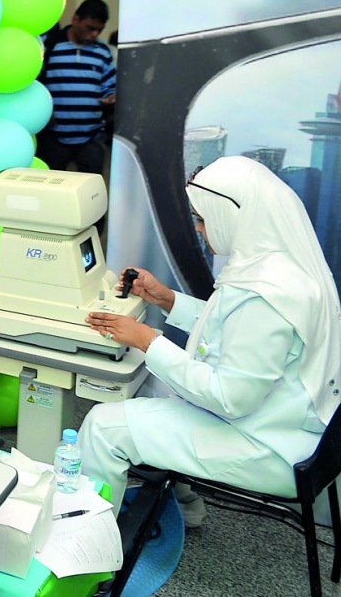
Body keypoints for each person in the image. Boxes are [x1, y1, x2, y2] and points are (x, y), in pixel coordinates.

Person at [80, 157, 341, 523]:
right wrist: (166, 299)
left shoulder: (266, 294)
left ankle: (86, 558)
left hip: (268, 445)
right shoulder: (280, 266)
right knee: (154, 391)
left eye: (202, 218)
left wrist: (148, 341)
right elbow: (233, 329)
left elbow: (230, 398)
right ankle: (187, 507)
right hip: (289, 424)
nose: (200, 229)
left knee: (101, 426)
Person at [36, 0, 116, 174]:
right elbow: (34, 83)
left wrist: (112, 96)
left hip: (92, 137)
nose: (95, 34)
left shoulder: (102, 51)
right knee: (53, 191)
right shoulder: (49, 45)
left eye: (99, 30)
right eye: (90, 28)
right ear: (75, 19)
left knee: (91, 192)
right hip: (53, 136)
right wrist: (42, 111)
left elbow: (110, 84)